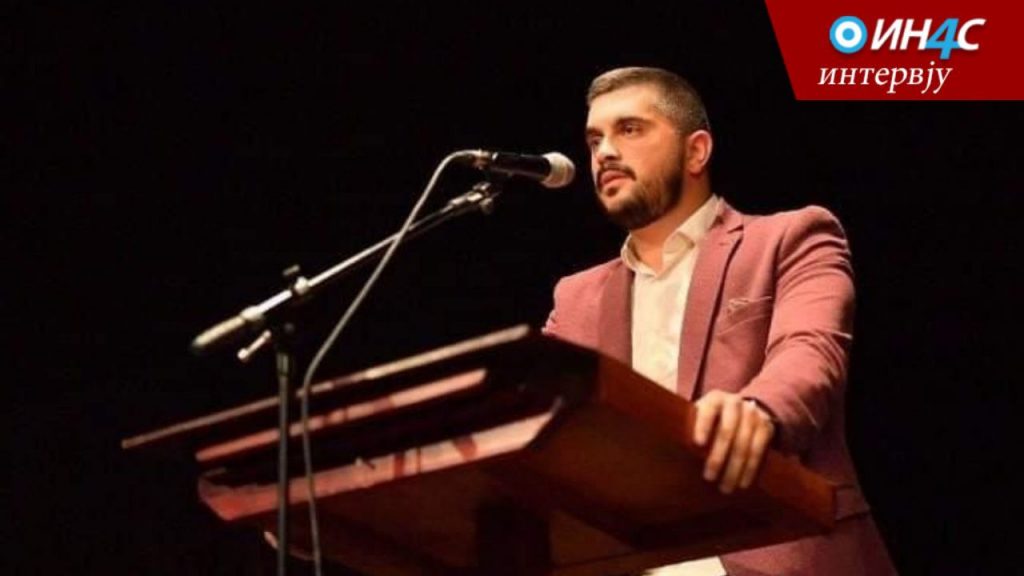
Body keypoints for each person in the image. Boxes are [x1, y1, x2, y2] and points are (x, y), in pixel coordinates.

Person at [542, 67, 897, 576]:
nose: (605, 152)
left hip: (774, 551)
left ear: (696, 151)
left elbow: (810, 351)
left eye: (630, 129)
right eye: (594, 139)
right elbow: (541, 419)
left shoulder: (790, 239)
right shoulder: (576, 297)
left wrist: (756, 410)